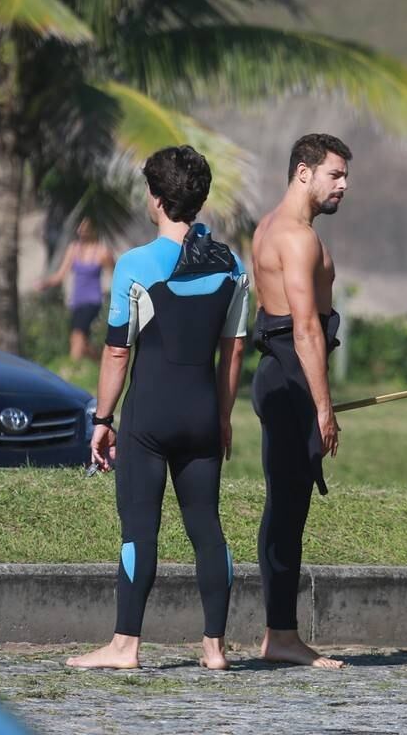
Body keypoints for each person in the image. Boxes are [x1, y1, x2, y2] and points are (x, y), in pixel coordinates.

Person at [67, 146, 250, 671]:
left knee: (139, 528)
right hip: (202, 416)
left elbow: (117, 351)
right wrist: (221, 416)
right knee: (207, 526)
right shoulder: (231, 264)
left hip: (149, 419)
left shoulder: (135, 265)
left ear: (157, 199)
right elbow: (232, 350)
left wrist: (103, 421)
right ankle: (215, 648)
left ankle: (125, 646)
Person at [250, 133, 352, 669]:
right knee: (288, 508)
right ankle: (281, 635)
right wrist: (323, 405)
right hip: (292, 375)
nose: (344, 186)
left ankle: (278, 631)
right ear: (303, 173)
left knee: (285, 505)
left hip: (277, 373)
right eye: (335, 175)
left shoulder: (268, 226)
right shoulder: (297, 237)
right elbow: (306, 327)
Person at [34, 217, 116, 361]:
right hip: (77, 301)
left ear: (93, 230)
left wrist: (114, 294)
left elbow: (116, 274)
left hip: (92, 301)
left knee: (76, 336)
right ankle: (100, 360)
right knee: (81, 342)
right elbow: (60, 275)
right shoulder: (74, 249)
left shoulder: (102, 252)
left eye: (85, 228)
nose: (81, 231)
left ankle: (72, 369)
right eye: (80, 228)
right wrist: (45, 283)